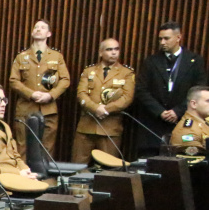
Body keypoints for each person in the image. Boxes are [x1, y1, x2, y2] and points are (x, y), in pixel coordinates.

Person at [135, 21, 208, 155]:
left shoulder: (194, 61)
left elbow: (199, 91)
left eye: (166, 38)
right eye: (160, 39)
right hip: (154, 123)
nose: (162, 42)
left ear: (178, 38)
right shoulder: (151, 61)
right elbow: (141, 90)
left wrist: (177, 111)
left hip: (182, 122)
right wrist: (160, 111)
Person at [9, 19, 71, 157]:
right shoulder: (22, 56)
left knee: (47, 147)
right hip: (26, 107)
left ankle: (45, 178)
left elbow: (65, 80)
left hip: (48, 108)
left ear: (48, 34)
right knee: (22, 146)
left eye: (42, 27)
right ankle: (21, 175)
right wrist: (31, 94)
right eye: (36, 27)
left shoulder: (56, 56)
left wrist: (51, 95)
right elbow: (13, 80)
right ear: (32, 32)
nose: (38, 29)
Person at [72, 38, 136, 163]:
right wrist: (95, 108)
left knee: (108, 168)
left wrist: (106, 109)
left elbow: (127, 99)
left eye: (116, 49)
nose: (114, 52)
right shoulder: (89, 71)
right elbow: (81, 94)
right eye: (109, 49)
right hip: (87, 126)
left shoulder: (126, 73)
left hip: (110, 128)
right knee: (78, 167)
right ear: (101, 53)